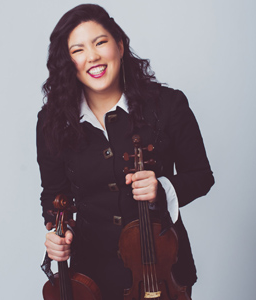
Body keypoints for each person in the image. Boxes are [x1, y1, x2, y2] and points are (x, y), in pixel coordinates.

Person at [36, 4, 214, 300]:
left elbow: (201, 176)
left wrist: (163, 187)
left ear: (119, 45)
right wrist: (57, 232)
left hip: (162, 270)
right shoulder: (52, 121)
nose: (92, 56)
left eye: (100, 42)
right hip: (92, 275)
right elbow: (53, 195)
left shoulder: (168, 105)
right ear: (68, 62)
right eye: (78, 50)